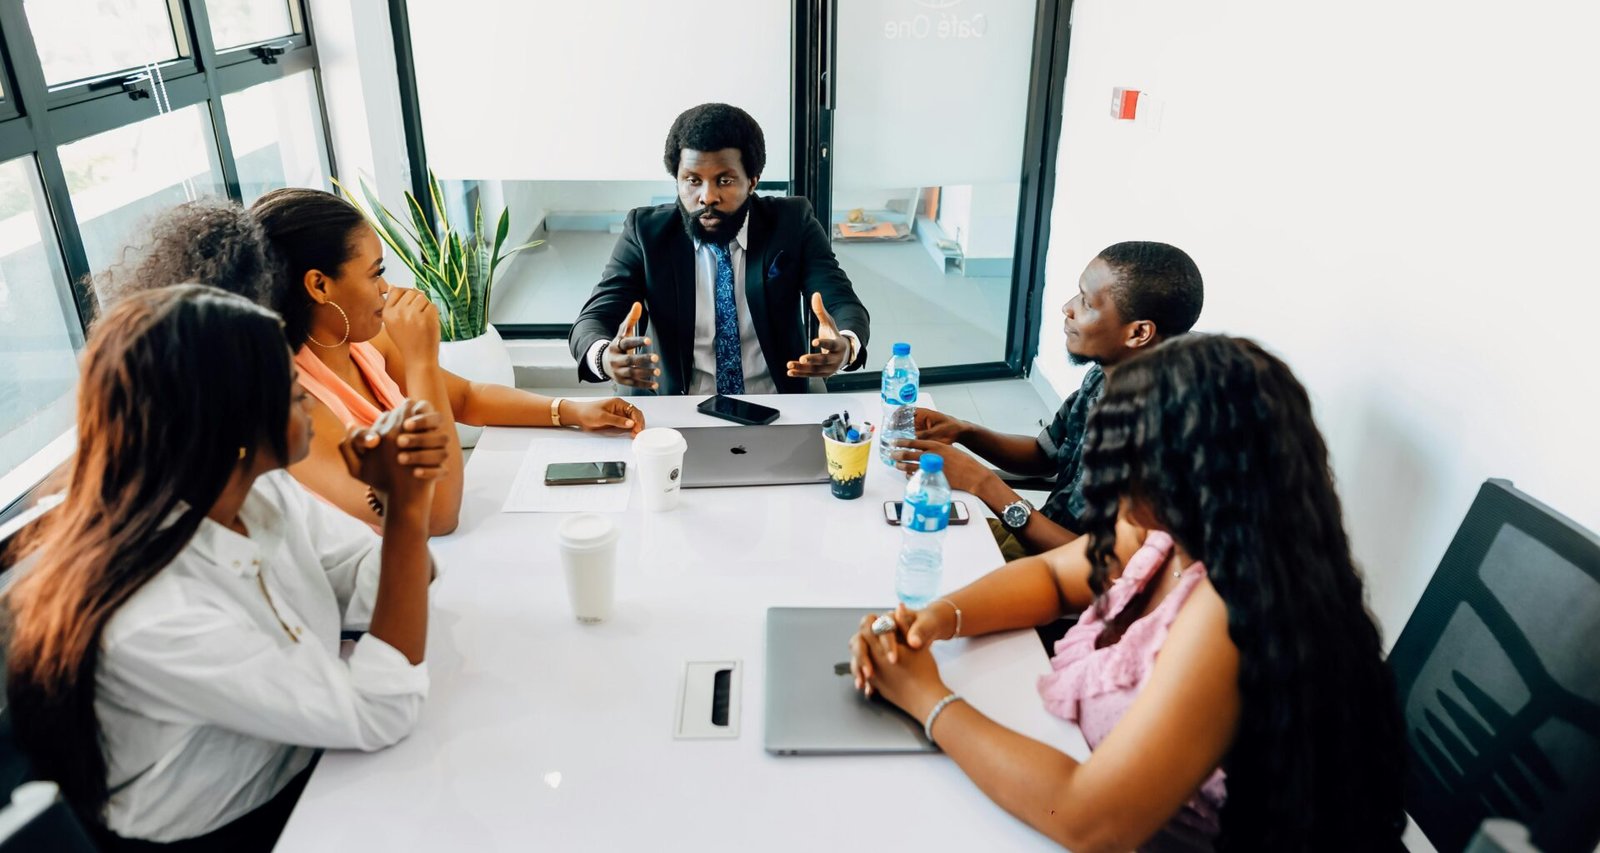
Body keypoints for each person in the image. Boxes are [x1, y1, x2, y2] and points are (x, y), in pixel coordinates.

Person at [851, 334, 1407, 852]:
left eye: (1123, 463)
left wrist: (928, 699)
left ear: (1187, 477)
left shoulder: (1230, 614)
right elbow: (1052, 578)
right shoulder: (1175, 532)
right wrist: (939, 617)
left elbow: (1092, 821)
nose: (1107, 484)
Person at [3, 285, 448, 851]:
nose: (312, 404)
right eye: (292, 393)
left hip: (314, 769)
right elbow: (381, 710)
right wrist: (407, 510)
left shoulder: (262, 494)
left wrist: (394, 495)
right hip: (233, 832)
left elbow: (385, 584)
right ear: (232, 424)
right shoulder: (155, 615)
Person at [249, 188, 643, 535]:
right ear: (319, 285)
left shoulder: (362, 343)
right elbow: (436, 516)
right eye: (376, 274)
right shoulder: (289, 404)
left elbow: (467, 398)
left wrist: (572, 410)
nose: (386, 288)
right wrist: (420, 360)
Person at [892, 241, 1203, 558]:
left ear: (1138, 333)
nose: (1068, 308)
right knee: (896, 535)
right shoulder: (1106, 374)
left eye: (1086, 302)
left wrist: (982, 483)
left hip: (1068, 584)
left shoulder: (1167, 434)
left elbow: (1101, 568)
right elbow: (1045, 454)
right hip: (1035, 543)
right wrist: (965, 432)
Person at [568, 102, 871, 395]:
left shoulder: (792, 222)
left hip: (775, 398)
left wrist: (846, 344)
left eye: (724, 180)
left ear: (752, 181)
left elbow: (842, 301)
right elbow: (593, 319)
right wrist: (603, 357)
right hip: (678, 404)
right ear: (677, 180)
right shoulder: (645, 232)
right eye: (692, 181)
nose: (707, 197)